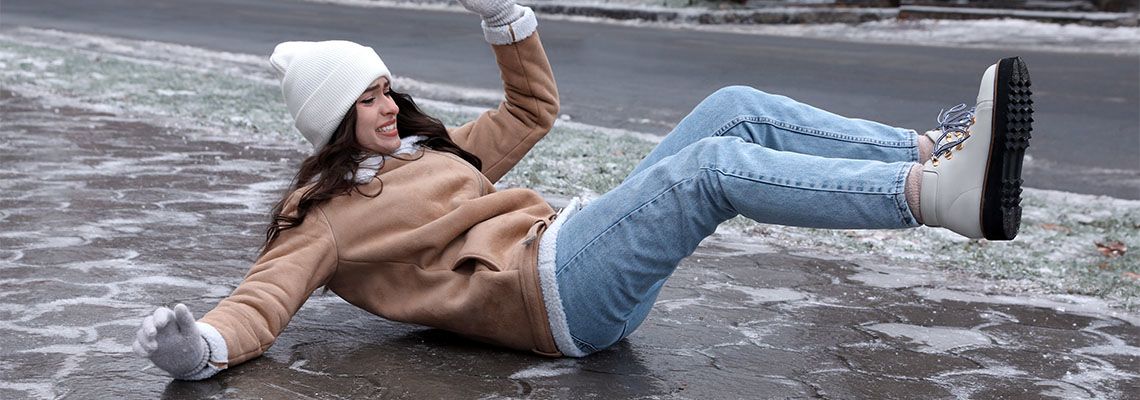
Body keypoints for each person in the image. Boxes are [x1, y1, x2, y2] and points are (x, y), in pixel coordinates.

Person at [133, 0, 1033, 380]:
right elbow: (264, 300)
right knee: (706, 172)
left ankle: (943, 151)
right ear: (331, 122)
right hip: (551, 294)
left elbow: (532, 107)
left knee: (734, 109)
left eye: (384, 88)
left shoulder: (430, 151)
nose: (386, 103)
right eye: (365, 97)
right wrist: (200, 345)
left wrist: (504, 19)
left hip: (573, 245)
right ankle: (938, 196)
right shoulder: (325, 221)